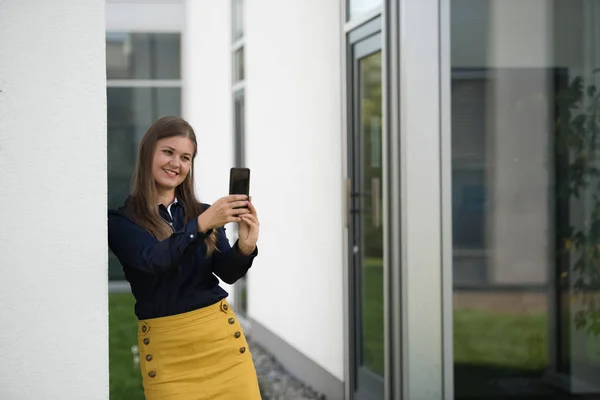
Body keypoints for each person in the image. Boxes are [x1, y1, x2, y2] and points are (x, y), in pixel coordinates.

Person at [108, 116, 261, 400]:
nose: (176, 164)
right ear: (147, 153)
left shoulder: (201, 213)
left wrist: (245, 247)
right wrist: (201, 226)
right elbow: (153, 260)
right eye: (168, 152)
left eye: (185, 157)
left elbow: (226, 272)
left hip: (222, 346)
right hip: (168, 358)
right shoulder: (121, 222)